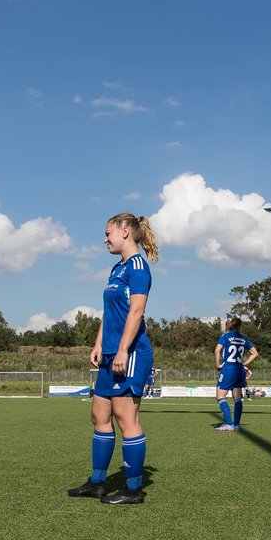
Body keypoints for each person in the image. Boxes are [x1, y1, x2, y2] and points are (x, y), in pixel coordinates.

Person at [67, 212, 157, 505]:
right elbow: (110, 313)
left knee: (125, 418)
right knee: (99, 416)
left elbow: (136, 311)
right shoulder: (116, 270)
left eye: (108, 233)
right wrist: (98, 345)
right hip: (109, 355)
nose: (104, 239)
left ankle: (133, 489)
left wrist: (121, 350)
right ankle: (97, 483)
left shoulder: (138, 267)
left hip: (130, 354)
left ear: (126, 232)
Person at [213, 317, 260, 431]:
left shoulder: (226, 336)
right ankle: (236, 425)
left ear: (230, 326)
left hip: (229, 369)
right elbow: (255, 353)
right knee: (237, 398)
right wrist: (244, 363)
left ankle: (229, 424)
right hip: (239, 369)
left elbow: (217, 350)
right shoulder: (243, 339)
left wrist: (218, 364)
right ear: (240, 326)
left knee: (220, 396)